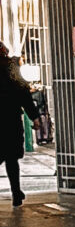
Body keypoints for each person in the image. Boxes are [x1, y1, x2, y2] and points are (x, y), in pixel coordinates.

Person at [0, 45, 33, 210]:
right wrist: (34, 115)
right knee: (11, 160)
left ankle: (17, 193)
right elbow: (24, 94)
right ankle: (16, 193)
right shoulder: (11, 69)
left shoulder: (11, 69)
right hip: (11, 121)